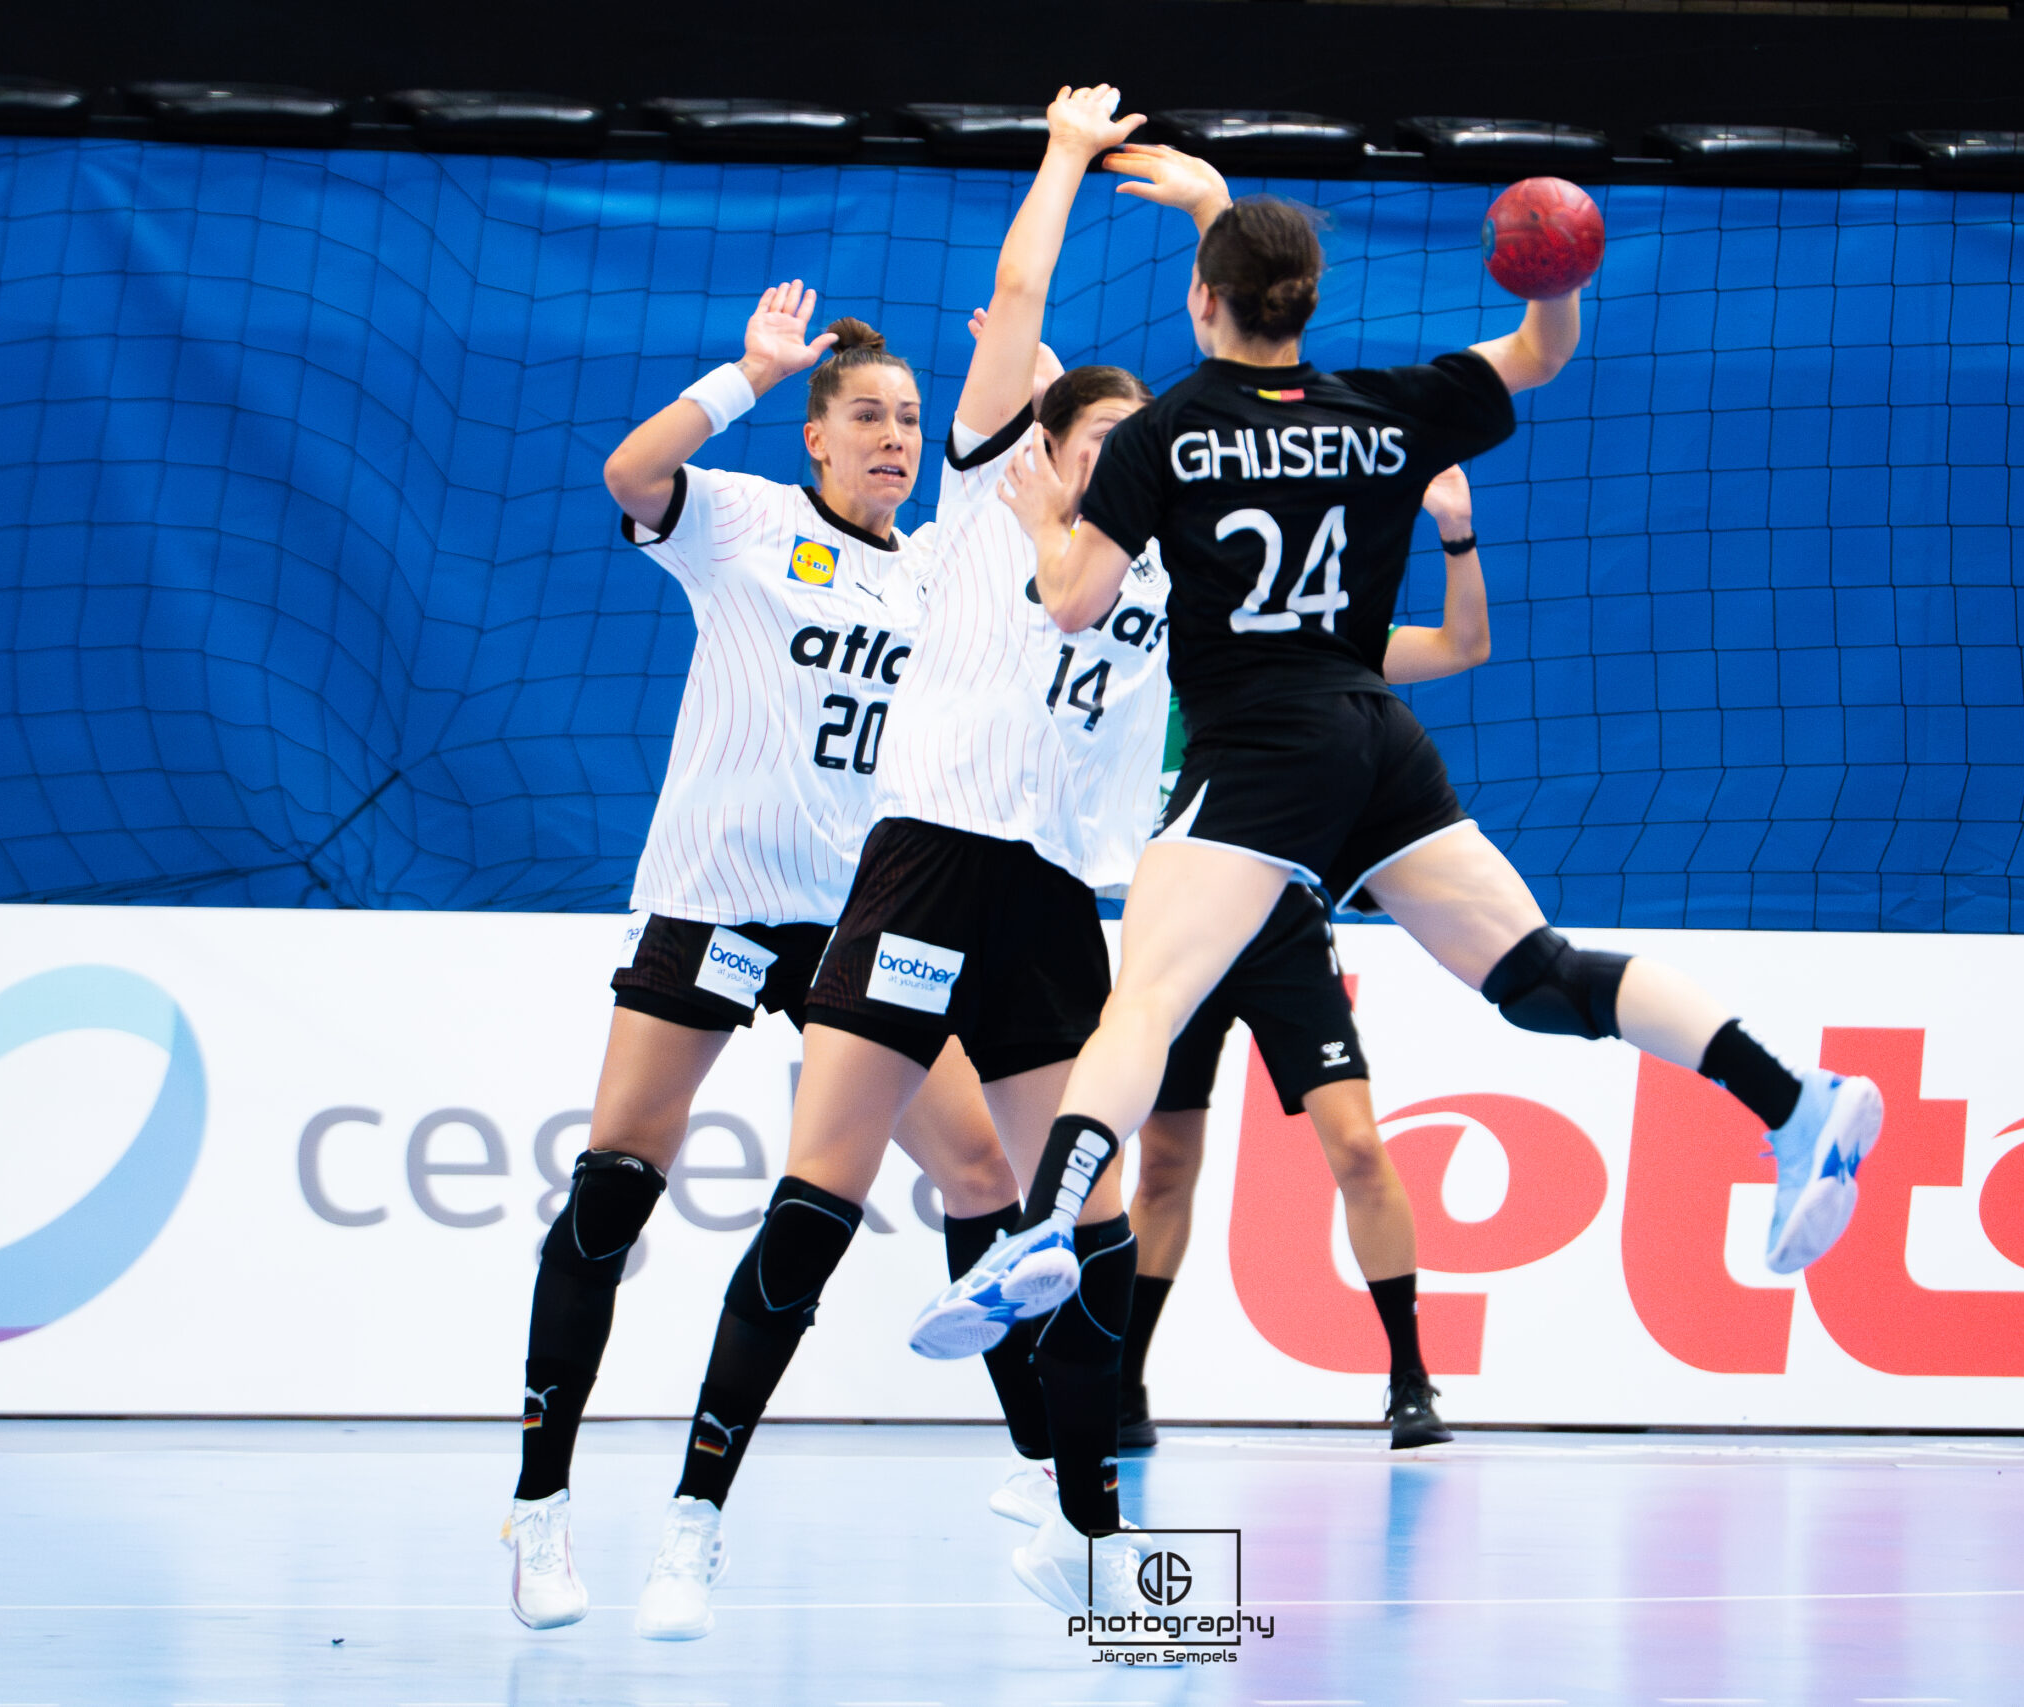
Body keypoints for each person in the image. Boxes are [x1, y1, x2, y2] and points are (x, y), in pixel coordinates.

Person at [919, 154, 1885, 1354]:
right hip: (1374, 736)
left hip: (1256, 744)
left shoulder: (1158, 434)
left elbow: (1071, 601)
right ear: (1308, 299)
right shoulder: (1383, 411)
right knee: (1539, 976)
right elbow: (1541, 352)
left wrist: (1037, 525)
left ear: (1201, 299)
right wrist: (1556, 269)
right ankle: (1792, 1100)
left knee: (1149, 1002)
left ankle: (1043, 1230)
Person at [620, 84, 1183, 1635]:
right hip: (928, 862)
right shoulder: (985, 498)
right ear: (1040, 443)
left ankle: (1087, 1528)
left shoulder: (1156, 562)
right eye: (1105, 437)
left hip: (1055, 898)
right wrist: (1064, 154)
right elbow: (1021, 291)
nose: (1132, 457)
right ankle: (690, 1524)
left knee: (1086, 1220)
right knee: (820, 1190)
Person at [500, 280, 1027, 1635]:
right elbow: (630, 474)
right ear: (817, 436)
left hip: (865, 917)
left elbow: (1049, 527)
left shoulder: (937, 569)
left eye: (909, 418)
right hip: (720, 898)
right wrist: (747, 372)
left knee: (981, 1172)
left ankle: (720, 1517)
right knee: (618, 1184)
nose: (894, 436)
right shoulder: (745, 518)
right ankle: (541, 1503)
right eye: (869, 416)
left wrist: (1029, 387)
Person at [1118, 463, 1487, 1457]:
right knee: (1163, 1164)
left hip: (1278, 918)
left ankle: (1409, 1380)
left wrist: (1454, 534)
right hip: (1177, 924)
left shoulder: (1312, 638)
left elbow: (1461, 646)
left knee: (1356, 1145)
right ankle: (1122, 1383)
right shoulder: (1130, 643)